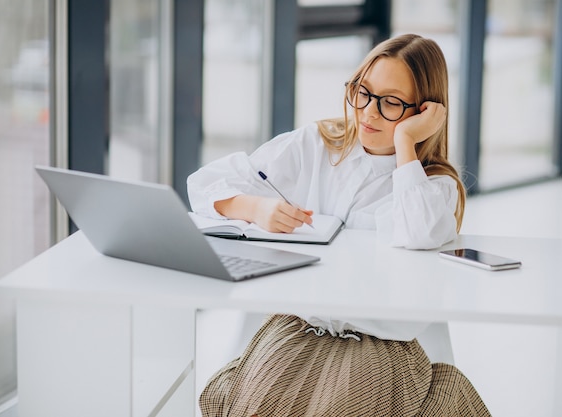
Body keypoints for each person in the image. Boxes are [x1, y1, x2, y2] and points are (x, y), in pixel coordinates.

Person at [187, 34, 490, 416]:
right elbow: (205, 184)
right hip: (301, 332)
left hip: (378, 348)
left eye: (391, 103)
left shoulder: (433, 183)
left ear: (424, 111)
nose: (368, 112)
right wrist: (256, 208)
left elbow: (420, 232)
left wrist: (405, 144)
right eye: (362, 92)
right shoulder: (318, 143)